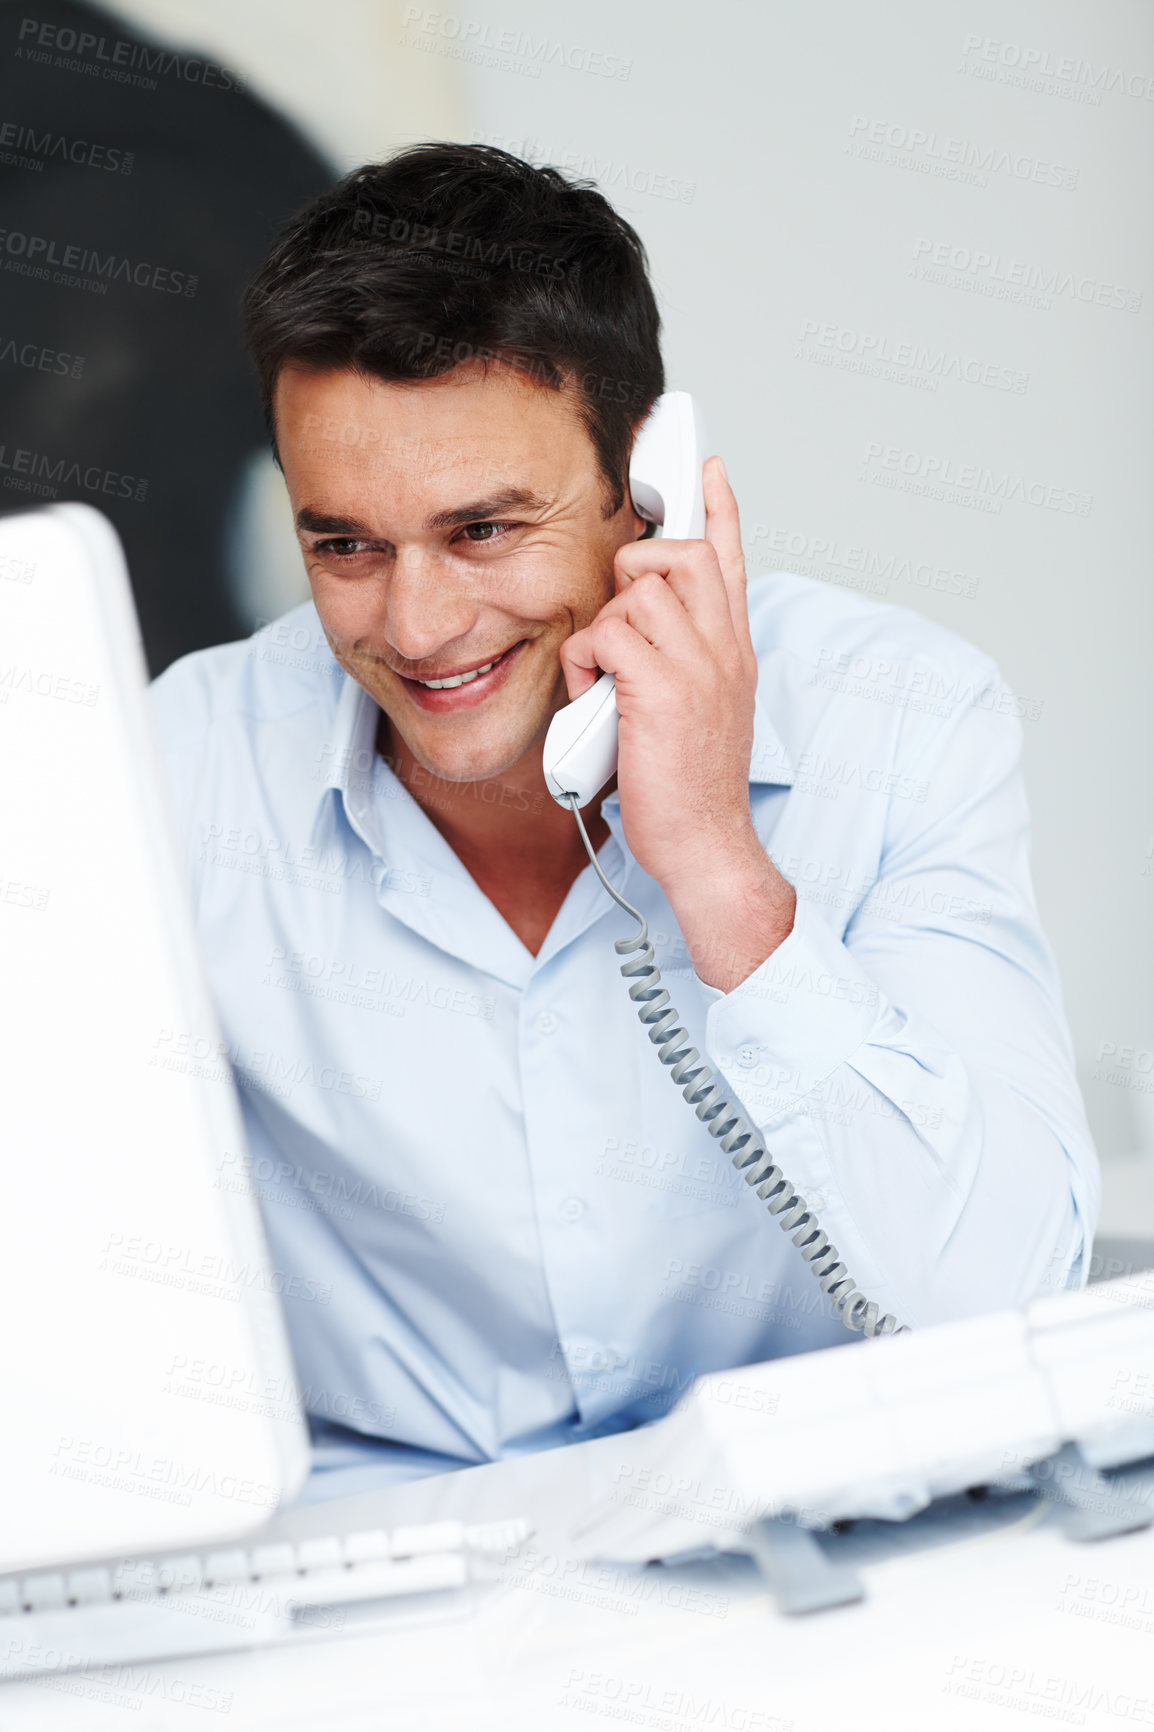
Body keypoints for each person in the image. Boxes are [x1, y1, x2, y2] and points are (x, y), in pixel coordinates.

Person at [150, 142, 1098, 1496]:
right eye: (345, 544)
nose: (415, 627)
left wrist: (716, 864)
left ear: (644, 483)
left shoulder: (897, 719)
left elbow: (1002, 1303)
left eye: (483, 529)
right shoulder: (174, 770)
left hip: (820, 1532)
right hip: (398, 1579)